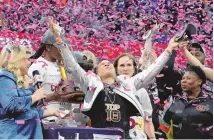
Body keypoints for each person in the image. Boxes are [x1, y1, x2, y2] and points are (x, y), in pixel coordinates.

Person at [47, 17, 188, 139]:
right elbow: (72, 66)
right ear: (96, 72)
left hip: (124, 137)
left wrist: (169, 49)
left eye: (109, 63)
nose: (107, 63)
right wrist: (59, 41)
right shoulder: (91, 83)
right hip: (98, 136)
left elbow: (150, 72)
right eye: (103, 64)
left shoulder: (128, 84)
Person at [28, 31, 89, 127]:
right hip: (47, 123)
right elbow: (29, 100)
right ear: (48, 47)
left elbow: (84, 86)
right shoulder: (37, 67)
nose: (63, 49)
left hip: (69, 123)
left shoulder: (67, 67)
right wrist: (54, 96)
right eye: (59, 45)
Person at [0, 44, 61, 139]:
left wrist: (50, 112)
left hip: (29, 135)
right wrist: (34, 97)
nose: (30, 62)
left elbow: (26, 112)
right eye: (27, 59)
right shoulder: (4, 79)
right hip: (15, 135)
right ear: (17, 60)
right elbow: (11, 105)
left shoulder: (20, 80)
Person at [157, 65, 213, 139]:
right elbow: (164, 126)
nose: (184, 81)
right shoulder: (176, 102)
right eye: (183, 78)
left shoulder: (210, 102)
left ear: (199, 81)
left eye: (188, 78)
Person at [114, 53, 155, 139]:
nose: (125, 68)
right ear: (116, 69)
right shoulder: (110, 89)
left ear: (134, 68)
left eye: (129, 65)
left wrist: (152, 138)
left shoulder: (141, 91)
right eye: (122, 65)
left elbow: (147, 120)